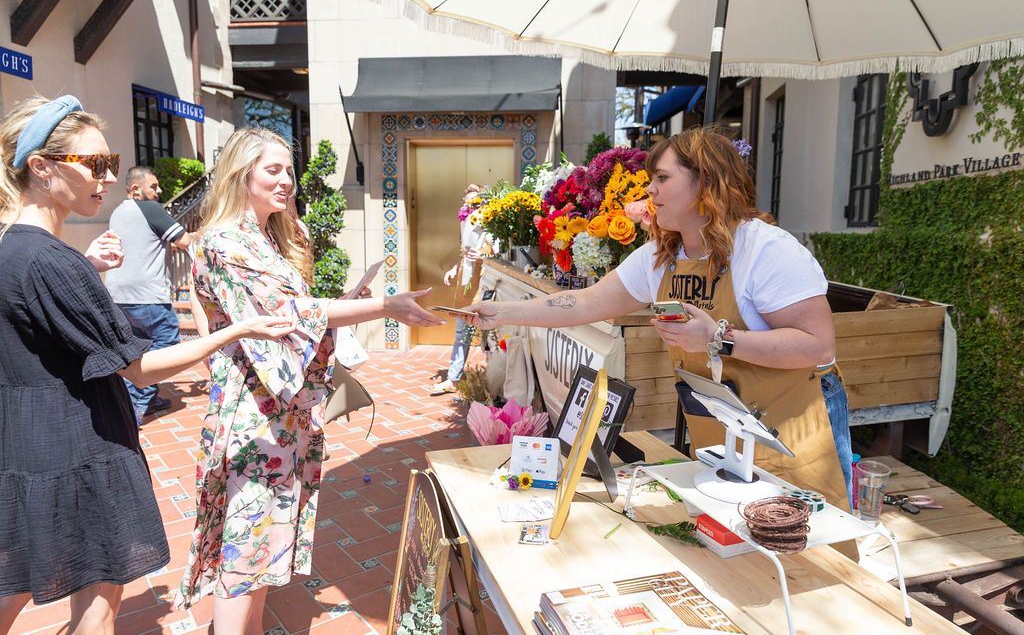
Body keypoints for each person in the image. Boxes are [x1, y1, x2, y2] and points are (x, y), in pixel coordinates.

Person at [0, 95, 297, 635]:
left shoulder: (14, 248)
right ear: (41, 169)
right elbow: (142, 368)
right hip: (78, 446)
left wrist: (89, 271)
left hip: (28, 440)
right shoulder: (49, 258)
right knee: (98, 604)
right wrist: (238, 329)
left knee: (17, 577)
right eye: (95, 165)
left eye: (111, 165)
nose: (108, 178)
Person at [466, 127, 853, 514]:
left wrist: (717, 338)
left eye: (663, 178)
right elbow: (584, 303)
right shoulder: (661, 256)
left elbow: (818, 345)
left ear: (706, 182)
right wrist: (502, 312)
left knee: (809, 549)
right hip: (726, 429)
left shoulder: (767, 250)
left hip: (795, 426)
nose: (649, 190)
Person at [175, 127, 444, 635]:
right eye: (272, 170)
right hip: (255, 411)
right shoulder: (228, 240)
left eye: (288, 171)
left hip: (276, 408)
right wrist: (386, 304)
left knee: (260, 542)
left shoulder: (261, 235)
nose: (287, 182)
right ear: (241, 174)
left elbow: (293, 311)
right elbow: (290, 313)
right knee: (246, 542)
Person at [105, 165, 192, 419]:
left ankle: (140, 398)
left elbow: (148, 245)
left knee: (135, 348)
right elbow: (184, 241)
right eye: (153, 186)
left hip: (119, 295)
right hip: (147, 296)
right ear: (136, 189)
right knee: (166, 345)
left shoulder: (118, 212)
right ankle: (139, 401)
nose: (159, 190)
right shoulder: (150, 208)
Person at [432, 183, 488, 395]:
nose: (470, 207)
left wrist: (483, 257)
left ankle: (494, 378)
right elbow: (462, 253)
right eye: (467, 203)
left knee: (490, 338)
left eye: (474, 202)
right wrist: (454, 269)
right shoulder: (464, 226)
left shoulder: (493, 226)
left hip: (485, 288)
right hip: (464, 287)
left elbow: (502, 256)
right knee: (461, 335)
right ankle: (452, 379)